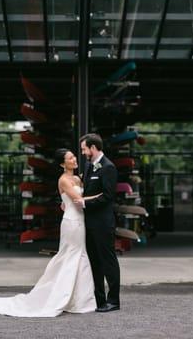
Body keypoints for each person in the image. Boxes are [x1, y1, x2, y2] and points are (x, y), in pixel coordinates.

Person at [0, 149, 100, 317]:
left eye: (73, 156)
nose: (74, 159)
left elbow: (66, 203)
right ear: (62, 164)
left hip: (80, 221)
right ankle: (62, 296)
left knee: (79, 255)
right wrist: (101, 196)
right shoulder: (63, 180)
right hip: (72, 223)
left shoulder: (78, 178)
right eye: (70, 158)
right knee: (70, 256)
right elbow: (77, 200)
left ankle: (79, 300)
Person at [78, 133, 121, 312]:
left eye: (84, 149)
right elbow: (84, 190)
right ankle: (99, 299)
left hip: (103, 224)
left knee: (108, 261)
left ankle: (114, 301)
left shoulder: (109, 167)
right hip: (88, 223)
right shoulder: (89, 166)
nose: (83, 153)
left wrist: (85, 203)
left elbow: (108, 196)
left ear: (93, 148)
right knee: (94, 261)